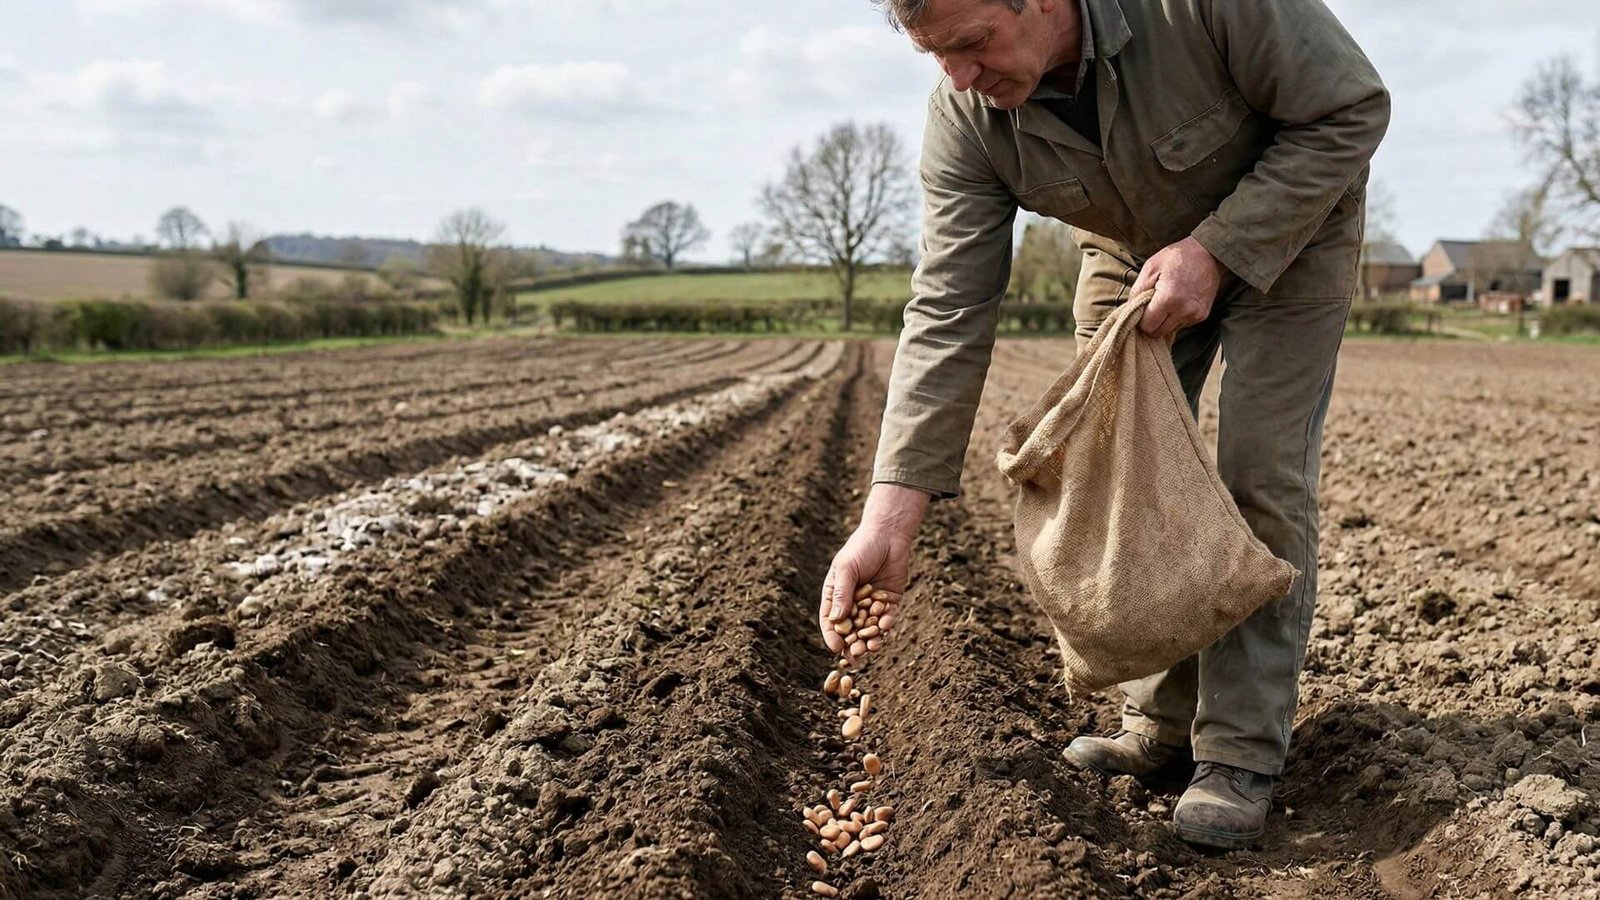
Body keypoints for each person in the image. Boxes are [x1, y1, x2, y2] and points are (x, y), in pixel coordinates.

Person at [818, 0, 1389, 850]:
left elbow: (1351, 108)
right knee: (1116, 469)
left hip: (1289, 235)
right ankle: (1157, 722)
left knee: (1258, 469)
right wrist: (887, 519)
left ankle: (1238, 751)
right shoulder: (966, 118)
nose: (961, 77)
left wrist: (1219, 250)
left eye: (973, 44)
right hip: (1127, 254)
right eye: (937, 56)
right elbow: (946, 307)